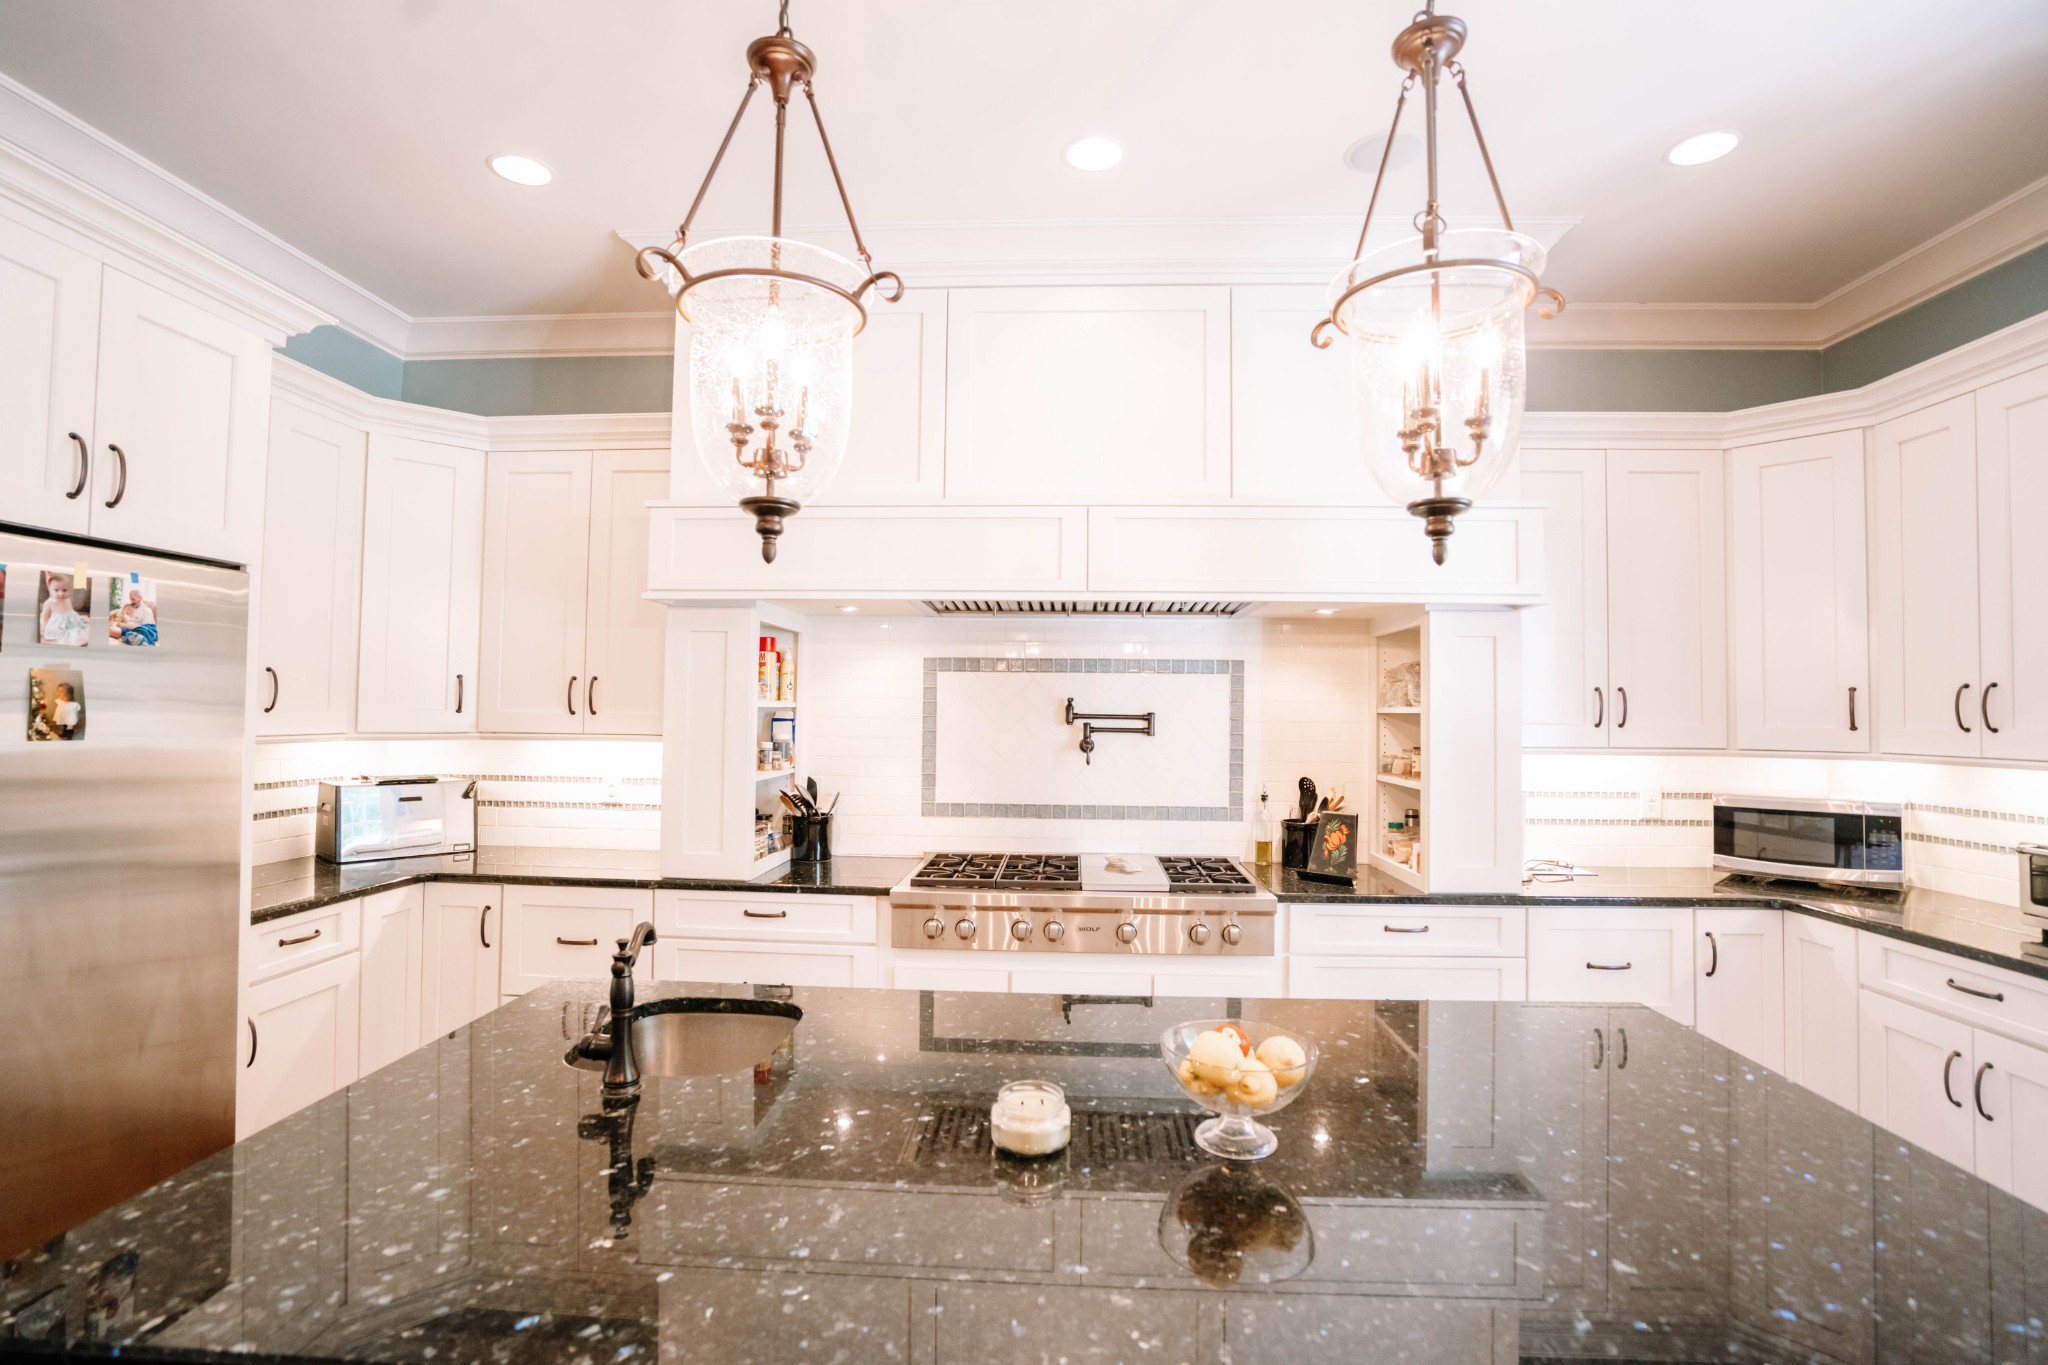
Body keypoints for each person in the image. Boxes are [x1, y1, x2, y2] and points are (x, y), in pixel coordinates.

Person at [39, 573, 88, 647]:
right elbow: (45, 615)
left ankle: (75, 635)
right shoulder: (50, 602)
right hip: (59, 624)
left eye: (64, 590)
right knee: (64, 636)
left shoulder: (67, 599)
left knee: (81, 630)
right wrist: (44, 626)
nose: (61, 593)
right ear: (50, 590)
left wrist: (78, 618)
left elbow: (70, 612)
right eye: (56, 590)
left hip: (71, 621)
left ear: (69, 590)